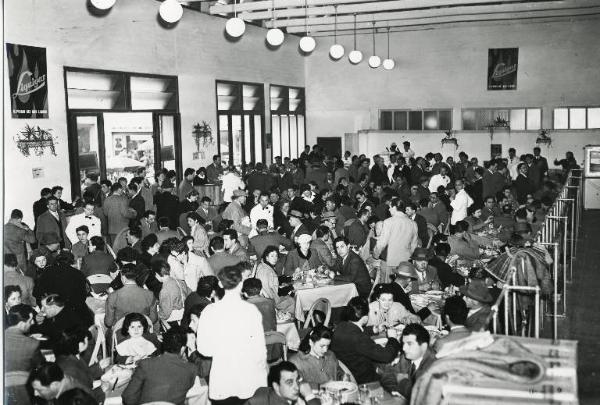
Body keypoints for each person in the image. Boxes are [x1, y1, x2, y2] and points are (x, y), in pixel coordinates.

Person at [196, 265, 267, 404]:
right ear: (241, 283)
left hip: (223, 375)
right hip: (247, 374)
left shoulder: (209, 311)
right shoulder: (251, 310)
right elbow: (259, 349)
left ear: (220, 284)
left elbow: (204, 350)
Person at [330, 296, 401, 386]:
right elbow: (386, 356)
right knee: (397, 368)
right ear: (365, 318)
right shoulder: (359, 339)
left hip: (349, 370)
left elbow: (356, 332)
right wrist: (393, 338)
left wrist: (374, 329)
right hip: (364, 380)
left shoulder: (341, 326)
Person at [122, 327, 197, 405]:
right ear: (182, 348)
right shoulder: (191, 369)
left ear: (163, 344)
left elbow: (128, 396)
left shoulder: (145, 364)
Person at [32, 251, 92, 325]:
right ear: (71, 262)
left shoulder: (48, 271)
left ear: (57, 260)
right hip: (76, 313)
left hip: (55, 312)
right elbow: (84, 295)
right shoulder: (79, 273)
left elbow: (36, 293)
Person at [385, 323, 436, 399]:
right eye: (403, 343)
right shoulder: (406, 357)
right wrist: (395, 390)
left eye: (409, 344)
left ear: (424, 346)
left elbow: (420, 394)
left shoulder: (433, 365)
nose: (404, 348)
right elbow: (387, 374)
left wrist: (401, 381)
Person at [104, 264, 158, 328]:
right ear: (137, 276)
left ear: (123, 277)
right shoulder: (150, 294)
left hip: (121, 332)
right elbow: (153, 319)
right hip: (142, 330)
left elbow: (109, 323)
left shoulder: (112, 296)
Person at [245, 361, 321, 405]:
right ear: (276, 386)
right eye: (289, 382)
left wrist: (320, 386)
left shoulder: (269, 391)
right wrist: (310, 397)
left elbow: (305, 385)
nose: (297, 387)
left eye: (297, 380)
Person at [374, 198, 419, 271]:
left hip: (390, 262)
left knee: (387, 282)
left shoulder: (388, 222)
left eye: (390, 207)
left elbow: (382, 243)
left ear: (394, 207)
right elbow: (414, 245)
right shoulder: (413, 223)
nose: (389, 209)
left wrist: (375, 254)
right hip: (406, 261)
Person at [255, 246, 295, 314]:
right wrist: (290, 288)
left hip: (270, 298)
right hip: (270, 303)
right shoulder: (265, 271)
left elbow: (275, 279)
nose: (275, 258)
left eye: (276, 256)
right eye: (272, 256)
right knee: (294, 300)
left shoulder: (265, 266)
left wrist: (290, 278)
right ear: (267, 258)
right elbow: (271, 293)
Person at [5, 304, 44, 372]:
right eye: (30, 320)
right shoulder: (32, 344)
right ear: (21, 323)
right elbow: (42, 367)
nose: (33, 322)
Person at [154, 259, 191, 325]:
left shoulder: (164, 290)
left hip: (174, 319)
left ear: (157, 274)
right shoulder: (179, 281)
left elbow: (165, 314)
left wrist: (155, 316)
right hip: (186, 313)